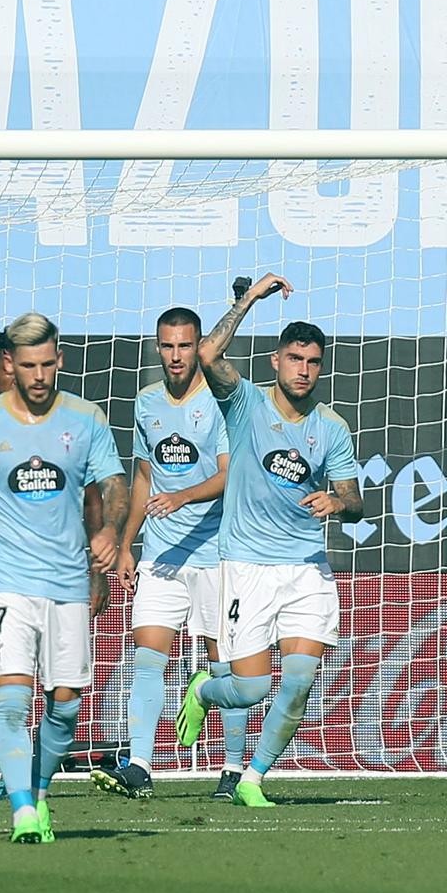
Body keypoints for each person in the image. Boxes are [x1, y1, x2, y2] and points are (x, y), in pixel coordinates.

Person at [0, 314, 126, 843]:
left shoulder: (86, 420)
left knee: (66, 705)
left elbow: (112, 484)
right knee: (10, 697)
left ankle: (36, 789)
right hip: (3, 581)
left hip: (67, 583)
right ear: (9, 364)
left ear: (60, 360)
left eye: (47, 364)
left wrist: (110, 534)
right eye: (28, 365)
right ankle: (21, 810)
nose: (38, 375)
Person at [174, 274, 365, 807]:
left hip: (306, 567)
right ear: (275, 362)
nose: (304, 370)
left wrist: (338, 501)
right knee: (251, 689)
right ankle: (204, 689)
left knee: (300, 680)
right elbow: (208, 352)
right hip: (248, 565)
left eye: (313, 361)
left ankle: (253, 778)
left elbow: (355, 500)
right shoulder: (245, 405)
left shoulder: (331, 427)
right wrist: (250, 298)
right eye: (294, 359)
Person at [91, 306, 244, 801]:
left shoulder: (220, 403)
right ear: (158, 347)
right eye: (167, 346)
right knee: (147, 658)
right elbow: (142, 478)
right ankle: (139, 765)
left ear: (197, 347)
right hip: (161, 554)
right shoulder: (146, 402)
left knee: (226, 668)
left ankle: (233, 769)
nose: (176, 356)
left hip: (215, 553)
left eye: (184, 346)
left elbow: (228, 476)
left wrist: (182, 497)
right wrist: (127, 544)